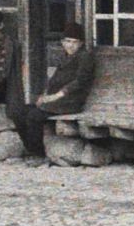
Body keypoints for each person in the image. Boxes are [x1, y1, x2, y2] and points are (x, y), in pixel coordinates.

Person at [13, 22, 97, 159]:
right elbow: (53, 81)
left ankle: (38, 153)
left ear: (81, 43)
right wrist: (45, 96)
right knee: (19, 112)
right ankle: (30, 148)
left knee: (34, 116)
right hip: (58, 101)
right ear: (62, 42)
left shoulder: (85, 57)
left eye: (74, 42)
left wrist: (55, 96)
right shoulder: (65, 57)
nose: (70, 45)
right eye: (67, 41)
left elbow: (80, 82)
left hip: (71, 101)